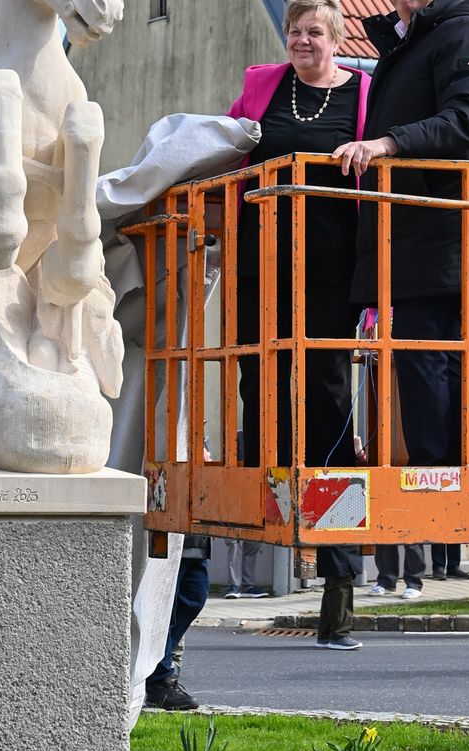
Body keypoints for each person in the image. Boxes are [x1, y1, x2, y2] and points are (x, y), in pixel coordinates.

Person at [227, 0, 371, 651]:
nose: (303, 41)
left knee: (331, 400)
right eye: (295, 32)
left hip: (332, 274)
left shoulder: (363, 94)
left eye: (315, 32)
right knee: (257, 384)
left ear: (337, 40)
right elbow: (223, 145)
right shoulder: (263, 84)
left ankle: (338, 593)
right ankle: (263, 521)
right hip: (261, 266)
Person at [340, 0, 469, 472]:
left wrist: (388, 143)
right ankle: (440, 480)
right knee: (422, 363)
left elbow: (467, 118)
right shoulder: (414, 37)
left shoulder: (466, 31)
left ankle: (446, 484)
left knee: (435, 364)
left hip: (446, 236)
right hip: (416, 236)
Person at [145, 535, 211, 710]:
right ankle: (158, 682)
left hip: (196, 541)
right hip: (168, 540)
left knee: (195, 598)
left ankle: (155, 663)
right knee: (166, 612)